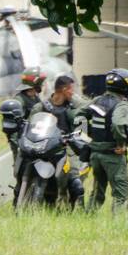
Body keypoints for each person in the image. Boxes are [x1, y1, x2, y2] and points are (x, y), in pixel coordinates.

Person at [81, 67, 128, 213]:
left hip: (95, 154)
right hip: (113, 155)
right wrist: (121, 144)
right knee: (120, 194)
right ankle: (118, 226)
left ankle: (88, 218)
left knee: (97, 190)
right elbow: (117, 124)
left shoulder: (97, 100)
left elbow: (78, 116)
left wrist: (85, 137)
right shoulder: (122, 105)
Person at [44, 74, 87, 206]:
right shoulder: (44, 105)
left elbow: (87, 109)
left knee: (73, 176)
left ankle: (71, 206)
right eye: (70, 89)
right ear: (63, 89)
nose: (72, 92)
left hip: (68, 145)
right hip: (47, 145)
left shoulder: (74, 105)